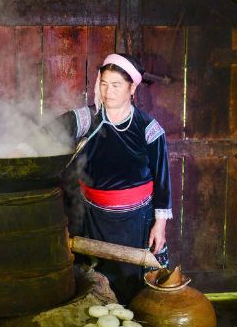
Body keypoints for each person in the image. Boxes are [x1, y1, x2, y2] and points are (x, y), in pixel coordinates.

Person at [51, 53, 172, 305]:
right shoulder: (89, 119)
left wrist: (159, 225)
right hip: (93, 218)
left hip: (135, 221)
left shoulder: (148, 129)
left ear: (132, 88)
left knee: (131, 288)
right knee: (93, 283)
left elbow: (162, 179)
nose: (108, 91)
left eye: (116, 85)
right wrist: (21, 147)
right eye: (104, 83)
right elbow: (52, 131)